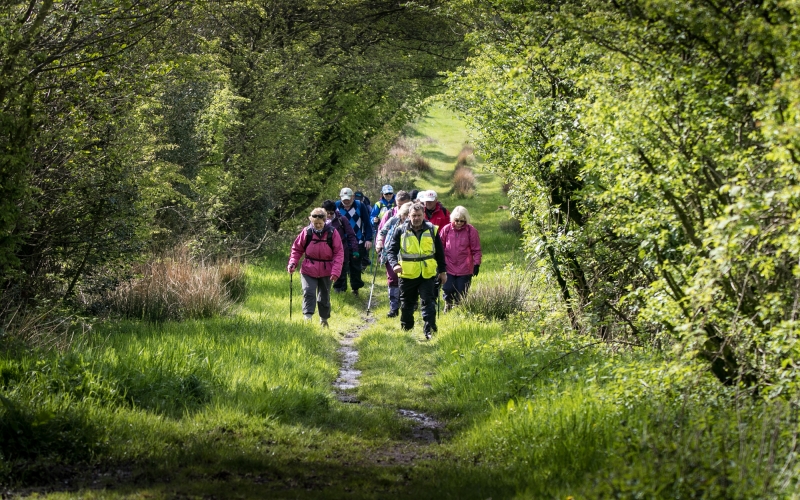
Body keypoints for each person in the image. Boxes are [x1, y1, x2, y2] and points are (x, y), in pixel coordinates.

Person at [385, 202, 447, 339]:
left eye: (419, 215)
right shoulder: (400, 230)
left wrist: (442, 271)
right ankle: (407, 330)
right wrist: (394, 264)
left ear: (423, 215)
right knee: (407, 303)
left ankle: (430, 330)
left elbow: (440, 253)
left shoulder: (432, 229)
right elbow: (391, 251)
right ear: (408, 216)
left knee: (428, 302)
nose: (417, 218)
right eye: (414, 215)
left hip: (427, 273)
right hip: (407, 274)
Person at [287, 208, 344, 327]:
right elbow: (297, 249)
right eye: (315, 223)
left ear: (325, 221)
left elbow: (339, 253)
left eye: (320, 223)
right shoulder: (306, 232)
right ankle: (307, 320)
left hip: (326, 269)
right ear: (311, 221)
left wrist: (336, 271)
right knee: (308, 292)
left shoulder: (332, 233)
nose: (317, 225)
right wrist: (293, 263)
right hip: (308, 268)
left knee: (323, 296)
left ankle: (323, 320)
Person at [439, 206, 482, 311]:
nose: (458, 223)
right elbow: (440, 247)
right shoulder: (446, 229)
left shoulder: (471, 231)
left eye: (462, 221)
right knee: (447, 288)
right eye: (456, 220)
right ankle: (448, 303)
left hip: (465, 267)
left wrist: (477, 264)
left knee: (461, 290)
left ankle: (458, 308)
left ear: (465, 220)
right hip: (448, 266)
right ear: (452, 219)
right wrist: (439, 264)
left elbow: (476, 249)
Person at [375, 202, 412, 318]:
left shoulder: (415, 225)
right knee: (392, 280)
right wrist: (379, 242)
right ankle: (394, 308)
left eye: (408, 215)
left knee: (405, 281)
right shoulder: (393, 220)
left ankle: (405, 304)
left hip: (407, 257)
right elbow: (382, 231)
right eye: (404, 214)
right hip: (390, 254)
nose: (406, 217)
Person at [335, 187, 373, 294]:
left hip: (358, 241)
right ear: (340, 198)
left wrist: (368, 239)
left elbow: (367, 223)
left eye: (348, 199)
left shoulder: (360, 206)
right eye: (344, 200)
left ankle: (355, 289)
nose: (346, 202)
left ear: (352, 197)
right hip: (341, 242)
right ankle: (340, 289)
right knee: (341, 265)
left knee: (355, 266)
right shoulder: (336, 206)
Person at [323, 200, 359, 289]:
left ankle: (340, 295)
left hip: (341, 251)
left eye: (331, 213)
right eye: (327, 213)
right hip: (325, 253)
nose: (329, 215)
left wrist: (355, 250)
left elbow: (351, 235)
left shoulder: (342, 219)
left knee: (340, 276)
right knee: (325, 276)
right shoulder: (318, 221)